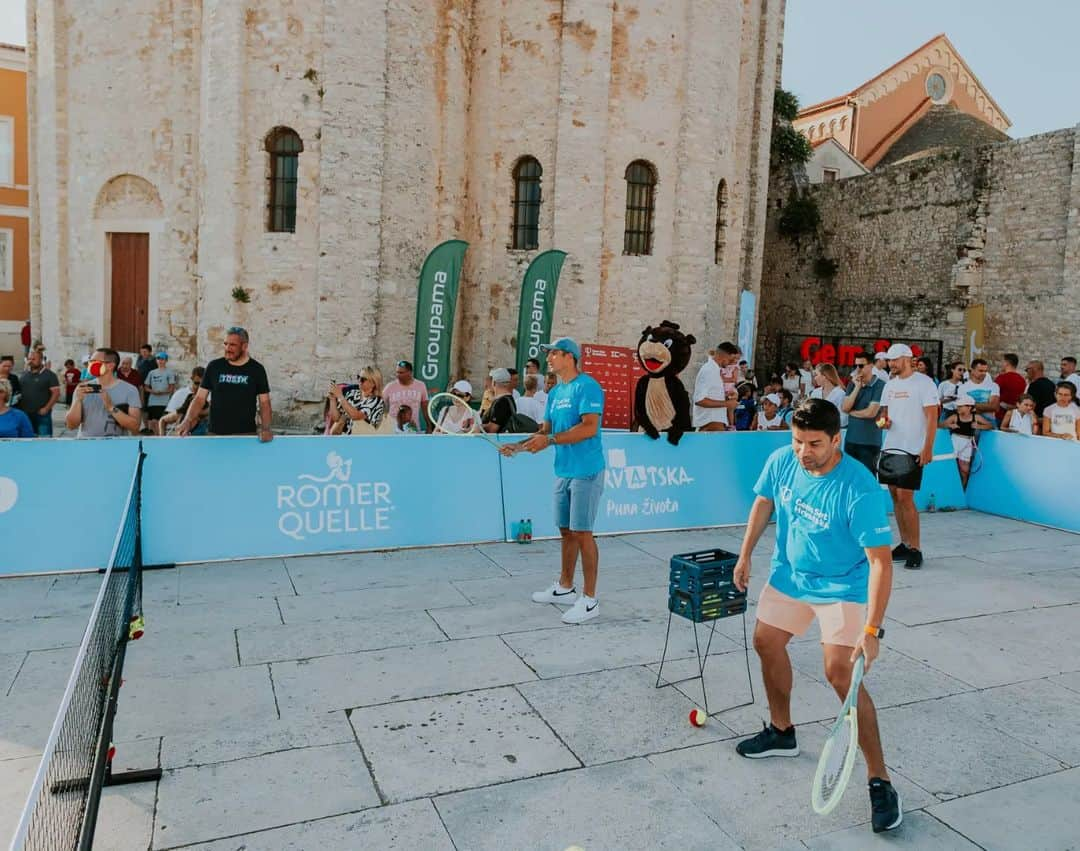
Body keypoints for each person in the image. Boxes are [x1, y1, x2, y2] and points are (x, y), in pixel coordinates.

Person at [732, 398, 902, 835]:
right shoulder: (782, 460)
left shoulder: (859, 488)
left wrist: (872, 629)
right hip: (790, 576)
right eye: (798, 441)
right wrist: (746, 554)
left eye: (814, 444)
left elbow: (881, 564)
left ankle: (879, 780)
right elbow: (763, 503)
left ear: (836, 440)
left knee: (840, 676)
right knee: (766, 642)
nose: (804, 451)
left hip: (842, 585)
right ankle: (782, 731)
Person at [504, 337, 605, 625]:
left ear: (569, 357)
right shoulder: (555, 392)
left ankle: (589, 599)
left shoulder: (588, 386)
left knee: (583, 532)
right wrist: (519, 446)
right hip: (563, 471)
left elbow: (589, 428)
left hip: (587, 470)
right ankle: (565, 587)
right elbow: (544, 430)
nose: (548, 359)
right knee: (566, 531)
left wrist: (548, 440)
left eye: (554, 354)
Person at [878, 343, 939, 570]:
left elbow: (932, 417)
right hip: (891, 447)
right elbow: (882, 416)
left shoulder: (924, 383)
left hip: (912, 449)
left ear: (907, 359)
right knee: (895, 496)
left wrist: (928, 448)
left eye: (895, 360)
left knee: (906, 497)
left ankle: (916, 548)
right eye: (890, 360)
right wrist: (883, 422)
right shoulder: (889, 385)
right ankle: (904, 543)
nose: (891, 364)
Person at [178, 327, 272, 440]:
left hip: (245, 435)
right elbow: (199, 398)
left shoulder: (257, 370)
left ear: (244, 346)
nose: (227, 348)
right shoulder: (214, 367)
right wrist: (187, 420)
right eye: (226, 344)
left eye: (232, 345)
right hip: (215, 435)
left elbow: (264, 403)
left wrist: (266, 428)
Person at [65, 347, 142, 437]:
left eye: (95, 361)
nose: (91, 364)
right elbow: (71, 426)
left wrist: (111, 407)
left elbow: (135, 427)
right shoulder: (82, 388)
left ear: (110, 365)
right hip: (86, 446)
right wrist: (77, 401)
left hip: (115, 447)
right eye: (90, 361)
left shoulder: (130, 390)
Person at [841, 352, 885, 474]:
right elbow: (845, 408)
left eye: (861, 366)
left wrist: (852, 412)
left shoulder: (880, 385)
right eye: (855, 366)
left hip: (869, 442)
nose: (857, 369)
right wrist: (857, 387)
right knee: (850, 477)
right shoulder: (852, 384)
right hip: (851, 441)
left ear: (871, 366)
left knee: (868, 478)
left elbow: (871, 413)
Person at [941, 396, 991, 489]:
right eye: (958, 406)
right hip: (954, 441)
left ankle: (962, 492)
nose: (958, 408)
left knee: (964, 471)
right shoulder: (955, 417)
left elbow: (989, 425)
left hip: (967, 443)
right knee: (949, 467)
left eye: (961, 406)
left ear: (969, 407)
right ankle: (949, 490)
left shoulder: (976, 417)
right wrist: (949, 425)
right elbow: (940, 425)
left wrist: (979, 426)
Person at [692, 343, 740, 432]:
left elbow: (711, 395)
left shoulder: (715, 370)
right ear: (724, 356)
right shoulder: (709, 370)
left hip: (714, 422)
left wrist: (727, 396)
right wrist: (727, 404)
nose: (732, 363)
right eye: (731, 359)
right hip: (710, 423)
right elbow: (699, 400)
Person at [330, 366, 386, 435]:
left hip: (365, 439)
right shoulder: (351, 392)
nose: (359, 380)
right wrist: (332, 399)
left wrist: (340, 396)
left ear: (373, 383)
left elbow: (356, 416)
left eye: (362, 379)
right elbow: (336, 418)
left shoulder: (377, 401)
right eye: (358, 377)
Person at [17, 348, 61, 437]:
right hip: (26, 415)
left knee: (44, 441)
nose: (30, 361)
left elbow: (56, 393)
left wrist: (46, 408)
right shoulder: (24, 374)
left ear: (41, 360)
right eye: (29, 359)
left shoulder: (50, 375)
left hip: (42, 414)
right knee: (28, 441)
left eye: (34, 359)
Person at [382, 360, 428, 432]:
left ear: (410, 373)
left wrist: (429, 426)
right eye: (397, 372)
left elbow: (425, 408)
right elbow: (379, 404)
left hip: (413, 430)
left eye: (401, 373)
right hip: (393, 431)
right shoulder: (390, 387)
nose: (398, 375)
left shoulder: (421, 386)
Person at [159, 367, 207, 435]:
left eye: (203, 384)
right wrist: (163, 439)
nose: (199, 387)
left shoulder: (211, 396)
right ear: (192, 379)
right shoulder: (180, 394)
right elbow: (164, 419)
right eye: (197, 383)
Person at [959, 358, 1000, 429]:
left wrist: (972, 405)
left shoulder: (993, 386)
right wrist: (986, 406)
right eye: (981, 371)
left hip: (989, 424)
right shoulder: (963, 388)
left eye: (985, 371)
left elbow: (994, 407)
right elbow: (963, 409)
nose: (984, 373)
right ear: (972, 370)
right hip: (970, 424)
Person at [143, 352, 177, 436]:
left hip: (164, 402)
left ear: (166, 360)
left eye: (162, 359)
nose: (160, 361)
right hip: (152, 401)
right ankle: (154, 439)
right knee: (151, 423)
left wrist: (162, 392)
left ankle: (160, 439)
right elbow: (146, 387)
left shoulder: (169, 372)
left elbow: (172, 388)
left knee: (160, 422)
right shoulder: (152, 373)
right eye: (158, 359)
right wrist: (153, 391)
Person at [994, 353, 1026, 427]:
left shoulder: (1002, 378)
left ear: (1006, 363)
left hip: (999, 415)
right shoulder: (1022, 380)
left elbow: (993, 395)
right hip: (1013, 416)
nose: (1002, 364)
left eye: (1003, 362)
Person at [483, 367, 517, 433]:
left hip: (496, 442)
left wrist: (479, 426)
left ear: (494, 383)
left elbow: (492, 429)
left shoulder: (501, 402)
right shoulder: (508, 399)